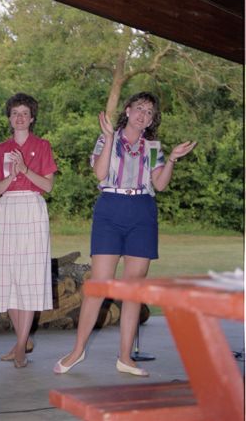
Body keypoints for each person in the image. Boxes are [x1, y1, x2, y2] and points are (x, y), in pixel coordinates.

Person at [54, 91, 196, 376]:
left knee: (133, 287)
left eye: (150, 113)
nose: (144, 115)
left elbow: (160, 184)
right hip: (110, 208)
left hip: (142, 211)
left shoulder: (153, 146)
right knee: (100, 283)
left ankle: (125, 357)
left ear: (150, 121)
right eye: (140, 108)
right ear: (128, 110)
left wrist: (172, 161)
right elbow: (100, 173)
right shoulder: (108, 137)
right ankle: (77, 351)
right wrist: (108, 139)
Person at [0, 92, 57, 368]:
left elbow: (48, 186)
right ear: (9, 118)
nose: (19, 118)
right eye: (15, 113)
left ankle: (19, 348)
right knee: (8, 278)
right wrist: (12, 176)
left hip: (32, 209)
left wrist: (25, 170)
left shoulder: (42, 146)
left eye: (24, 113)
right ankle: (21, 342)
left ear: (32, 118)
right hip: (7, 210)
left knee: (28, 278)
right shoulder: (2, 149)